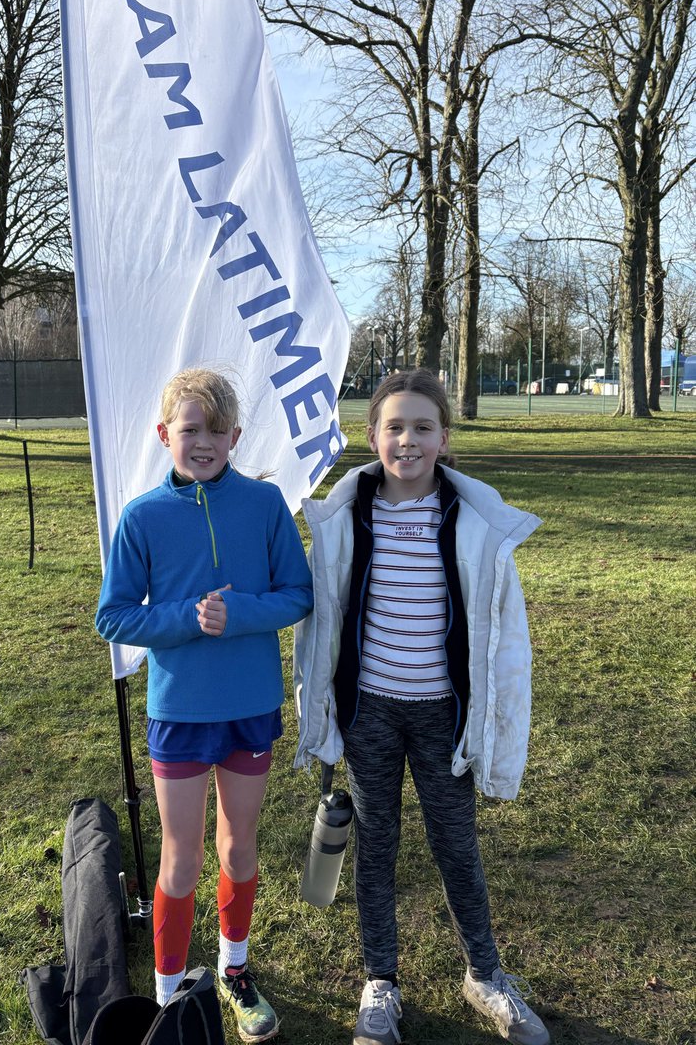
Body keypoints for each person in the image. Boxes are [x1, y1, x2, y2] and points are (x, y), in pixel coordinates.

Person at [293, 369, 549, 1045]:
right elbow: (319, 627)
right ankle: (380, 981)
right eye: (395, 427)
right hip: (370, 714)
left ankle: (485, 975)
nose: (408, 440)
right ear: (372, 436)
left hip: (443, 717)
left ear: (444, 438)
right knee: (375, 845)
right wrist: (322, 712)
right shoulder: (344, 518)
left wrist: (494, 725)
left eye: (422, 427)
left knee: (456, 847)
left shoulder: (474, 522)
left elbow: (504, 637)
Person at [96, 368, 313, 1042]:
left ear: (235, 436)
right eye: (191, 429)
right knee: (181, 858)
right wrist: (186, 619)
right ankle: (169, 998)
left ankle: (234, 968)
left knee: (239, 847)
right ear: (165, 434)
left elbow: (298, 594)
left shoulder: (266, 504)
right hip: (180, 712)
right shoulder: (143, 517)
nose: (204, 442)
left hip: (249, 706)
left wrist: (239, 614)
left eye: (217, 431)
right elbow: (113, 617)